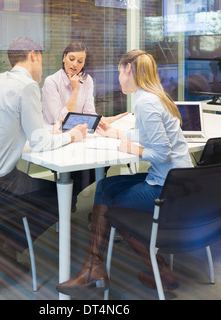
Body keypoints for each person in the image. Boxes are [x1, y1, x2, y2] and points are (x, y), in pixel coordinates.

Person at [56, 49, 193, 296]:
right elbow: (148, 135)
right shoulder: (153, 96)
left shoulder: (146, 102)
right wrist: (115, 134)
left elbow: (162, 153)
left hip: (168, 187)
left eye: (119, 72)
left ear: (128, 69)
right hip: (178, 180)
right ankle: (96, 264)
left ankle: (106, 267)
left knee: (112, 210)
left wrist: (133, 149)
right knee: (106, 187)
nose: (118, 78)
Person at [0, 37, 88, 288]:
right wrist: (70, 136)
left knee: (44, 194)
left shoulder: (0, 80)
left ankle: (3, 248)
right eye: (41, 58)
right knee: (61, 198)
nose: (42, 66)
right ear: (34, 55)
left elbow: (24, 127)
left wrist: (49, 132)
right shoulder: (27, 86)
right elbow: (40, 142)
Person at [41, 41, 126, 197]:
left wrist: (107, 119)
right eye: (71, 59)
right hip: (56, 138)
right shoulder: (51, 82)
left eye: (80, 61)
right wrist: (75, 90)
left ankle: (73, 196)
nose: (74, 64)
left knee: (105, 159)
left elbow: (89, 112)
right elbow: (59, 120)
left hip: (79, 136)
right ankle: (67, 197)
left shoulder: (87, 80)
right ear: (64, 58)